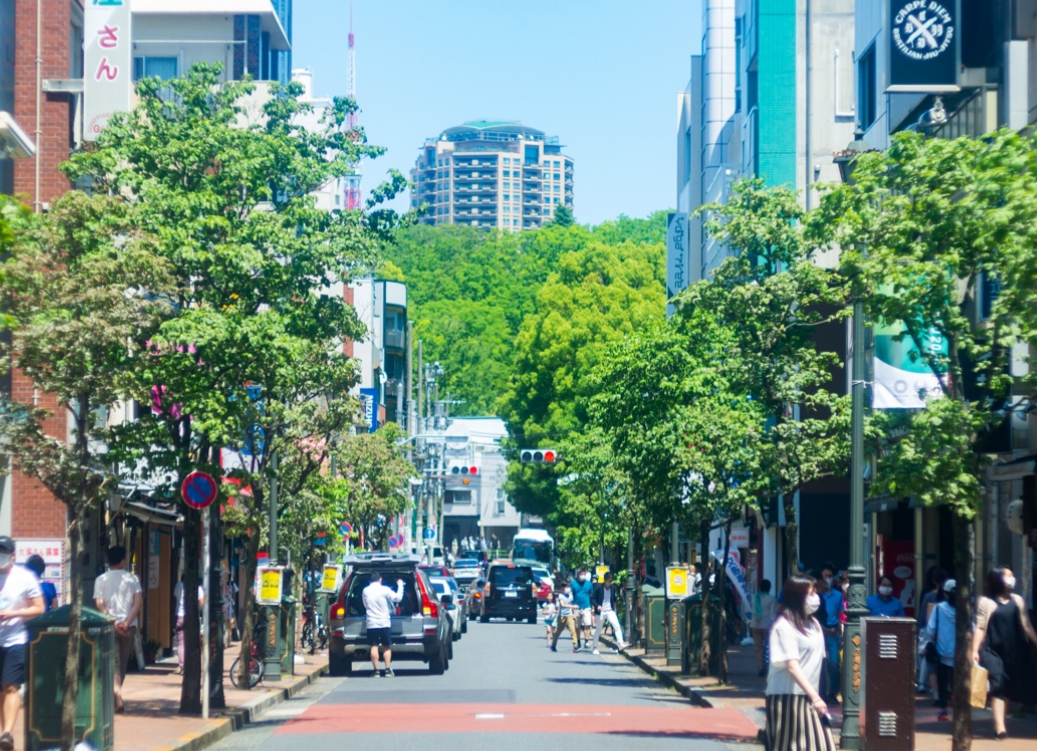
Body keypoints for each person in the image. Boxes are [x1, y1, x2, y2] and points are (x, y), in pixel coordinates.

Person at [764, 575, 835, 751]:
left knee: (822, 744)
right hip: (788, 697)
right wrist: (815, 697)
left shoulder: (814, 624)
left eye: (815, 592)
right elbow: (792, 665)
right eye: (810, 593)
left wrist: (817, 694)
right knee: (794, 746)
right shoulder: (784, 626)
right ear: (797, 596)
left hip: (809, 695)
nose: (815, 597)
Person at [971, 567, 1037, 740]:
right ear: (997, 579)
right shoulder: (986, 602)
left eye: (1012, 576)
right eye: (1008, 576)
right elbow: (980, 628)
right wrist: (974, 650)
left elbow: (1026, 625)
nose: (1012, 579)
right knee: (998, 682)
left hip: (1015, 649)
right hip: (992, 649)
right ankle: (999, 727)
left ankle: (1001, 722)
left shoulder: (1018, 600)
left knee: (1007, 686)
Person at [93, 545, 143, 714]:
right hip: (129, 627)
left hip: (109, 626)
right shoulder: (132, 579)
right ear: (123, 561)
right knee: (122, 663)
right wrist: (126, 622)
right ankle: (117, 697)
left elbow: (99, 604)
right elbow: (137, 603)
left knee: (113, 663)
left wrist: (113, 622)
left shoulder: (101, 579)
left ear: (109, 560)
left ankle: (116, 697)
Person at [361, 571, 405, 677]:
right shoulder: (385, 589)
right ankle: (387, 670)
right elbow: (398, 598)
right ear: (380, 580)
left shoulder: (365, 590)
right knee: (386, 646)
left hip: (372, 623)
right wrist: (400, 585)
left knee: (374, 646)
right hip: (384, 622)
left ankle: (376, 671)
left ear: (370, 581)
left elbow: (365, 605)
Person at [925, 578, 956, 722]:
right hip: (959, 654)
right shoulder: (965, 610)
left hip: (941, 652)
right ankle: (958, 709)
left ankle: (944, 710)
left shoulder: (938, 609)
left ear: (945, 593)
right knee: (957, 683)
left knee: (942, 683)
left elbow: (930, 630)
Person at [917, 567, 947, 696]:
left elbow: (923, 614)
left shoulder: (929, 595)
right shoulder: (947, 597)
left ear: (934, 580)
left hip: (929, 630)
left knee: (927, 656)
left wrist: (920, 629)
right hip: (944, 631)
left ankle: (922, 683)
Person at [818, 563, 844, 703]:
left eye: (830, 576)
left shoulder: (838, 595)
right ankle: (821, 693)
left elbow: (839, 615)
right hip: (818, 631)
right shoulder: (816, 595)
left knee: (834, 663)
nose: (827, 579)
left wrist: (839, 635)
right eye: (825, 576)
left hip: (833, 632)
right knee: (820, 663)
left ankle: (833, 692)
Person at [173, 575, 204, 675]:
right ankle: (191, 665)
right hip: (191, 617)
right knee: (192, 642)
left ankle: (183, 666)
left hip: (179, 616)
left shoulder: (178, 585)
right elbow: (201, 602)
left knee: (180, 643)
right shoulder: (196, 587)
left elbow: (175, 596)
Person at [590, 572, 625, 654]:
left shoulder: (613, 588)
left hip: (610, 611)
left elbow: (614, 600)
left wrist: (615, 610)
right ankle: (595, 647)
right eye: (609, 580)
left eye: (611, 580)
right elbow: (592, 598)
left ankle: (621, 643)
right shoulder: (599, 588)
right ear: (605, 580)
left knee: (617, 626)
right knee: (598, 629)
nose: (610, 582)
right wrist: (597, 606)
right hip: (601, 612)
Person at [751, 579, 777, 677]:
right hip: (767, 626)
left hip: (755, 625)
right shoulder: (772, 599)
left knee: (759, 648)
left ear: (759, 587)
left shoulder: (754, 597)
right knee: (769, 647)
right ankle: (768, 668)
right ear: (769, 588)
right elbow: (773, 615)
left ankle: (760, 668)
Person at [550, 582, 580, 653]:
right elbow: (563, 605)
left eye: (568, 587)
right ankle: (553, 645)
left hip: (569, 616)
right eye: (566, 587)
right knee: (558, 632)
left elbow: (571, 604)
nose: (568, 589)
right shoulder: (561, 596)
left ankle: (575, 646)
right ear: (562, 588)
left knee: (573, 631)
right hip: (562, 616)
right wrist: (573, 606)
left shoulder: (571, 596)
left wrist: (574, 614)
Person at [570, 568, 594, 649]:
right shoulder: (573, 584)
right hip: (576, 607)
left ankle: (586, 641)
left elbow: (591, 596)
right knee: (577, 626)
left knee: (587, 624)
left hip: (586, 607)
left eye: (584, 574)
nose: (583, 575)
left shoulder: (589, 584)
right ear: (578, 574)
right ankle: (578, 641)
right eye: (581, 574)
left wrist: (592, 607)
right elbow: (571, 596)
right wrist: (572, 608)